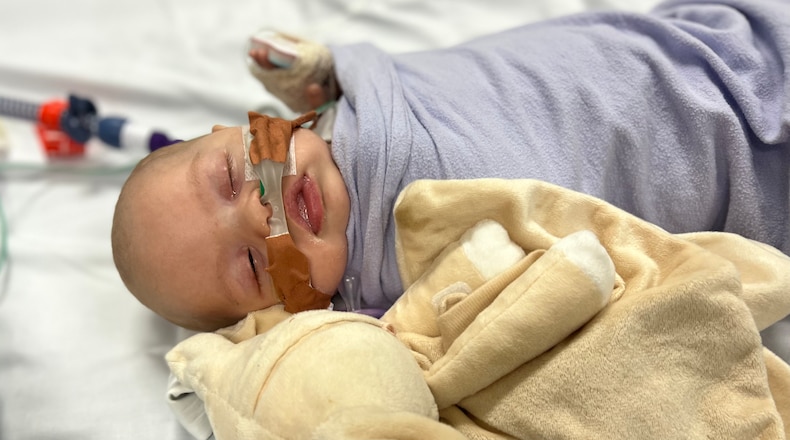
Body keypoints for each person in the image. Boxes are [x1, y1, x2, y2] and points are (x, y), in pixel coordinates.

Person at [112, 0, 790, 332]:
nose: (265, 212)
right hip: (737, 176)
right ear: (283, 315)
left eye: (232, 177)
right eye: (256, 264)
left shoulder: (345, 106)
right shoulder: (379, 304)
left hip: (695, 46)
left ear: (241, 128)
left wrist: (322, 76)